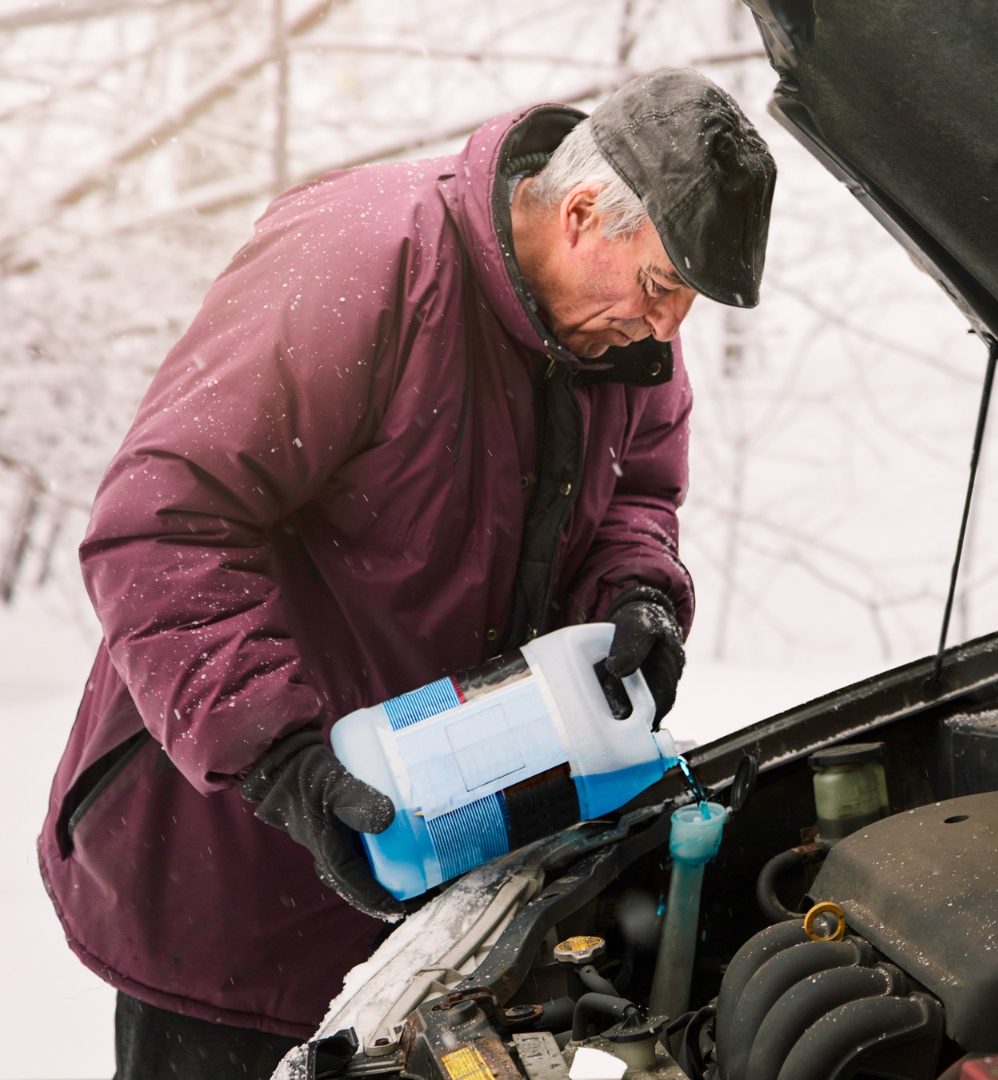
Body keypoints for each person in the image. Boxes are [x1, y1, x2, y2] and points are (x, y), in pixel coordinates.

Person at [36, 69, 775, 1076]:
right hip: (236, 870)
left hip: (438, 889)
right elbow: (160, 527)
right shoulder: (364, 265)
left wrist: (635, 593)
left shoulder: (624, 342)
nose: (669, 328)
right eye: (659, 286)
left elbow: (640, 488)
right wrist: (284, 760)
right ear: (581, 213)